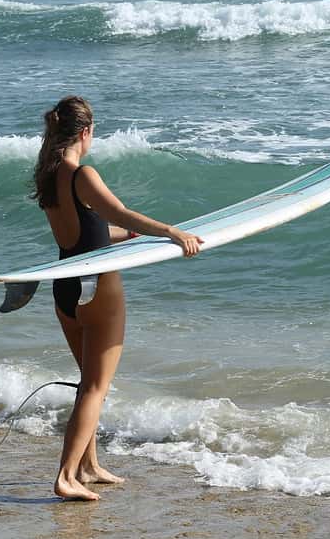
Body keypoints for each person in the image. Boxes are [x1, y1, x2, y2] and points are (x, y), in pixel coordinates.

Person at [32, 96, 203, 501]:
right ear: (86, 132)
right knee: (94, 387)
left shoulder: (50, 178)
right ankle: (65, 476)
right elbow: (121, 212)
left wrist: (125, 236)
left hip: (66, 285)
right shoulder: (81, 175)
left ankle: (88, 467)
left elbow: (83, 235)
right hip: (98, 287)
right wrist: (172, 232)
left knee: (88, 384)